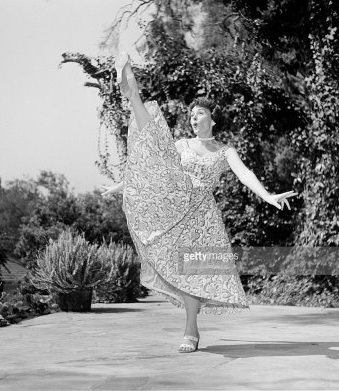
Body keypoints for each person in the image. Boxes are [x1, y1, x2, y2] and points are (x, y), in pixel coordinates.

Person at [100, 52, 297, 353]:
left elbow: (245, 174)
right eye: (191, 115)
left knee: (195, 272)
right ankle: (133, 93)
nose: (193, 118)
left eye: (199, 113)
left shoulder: (225, 150)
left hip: (202, 217)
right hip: (176, 201)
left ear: (212, 118)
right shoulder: (183, 145)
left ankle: (190, 331)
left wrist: (268, 196)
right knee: (157, 143)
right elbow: (156, 166)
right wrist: (120, 187)